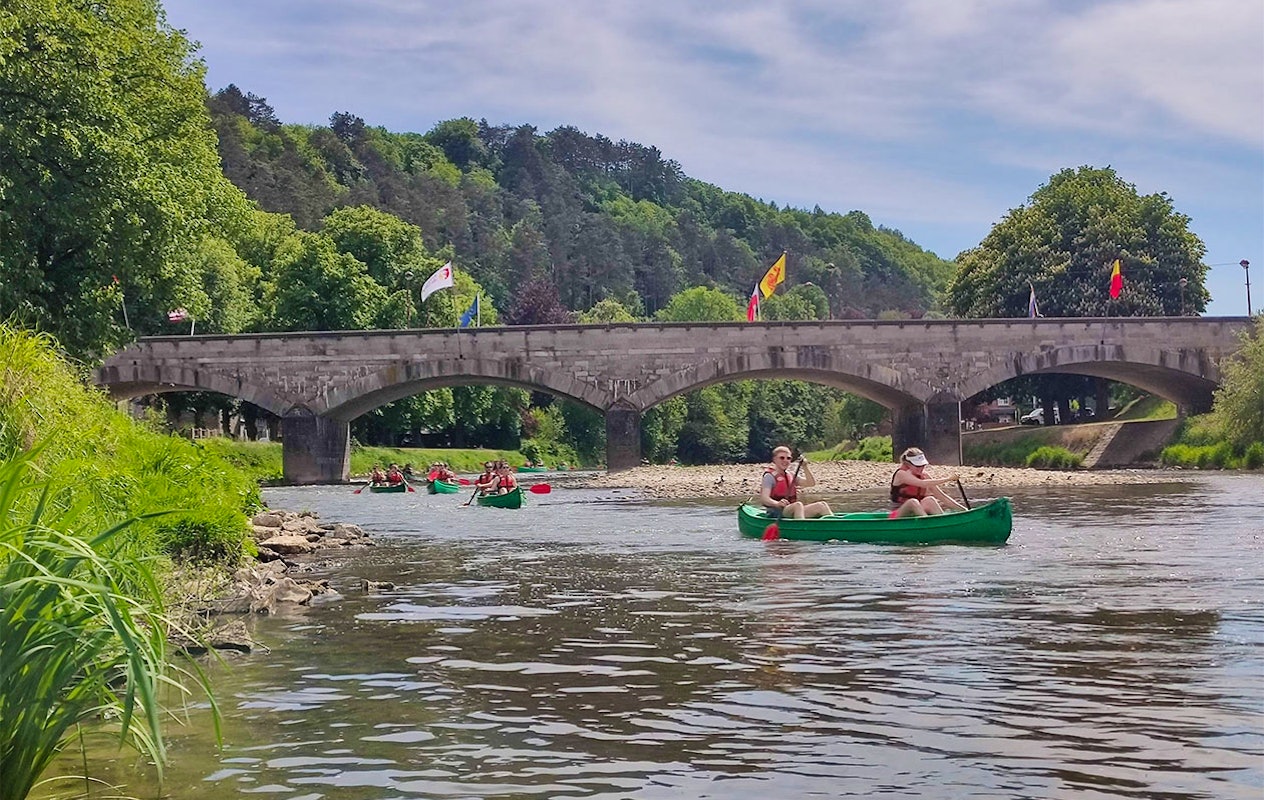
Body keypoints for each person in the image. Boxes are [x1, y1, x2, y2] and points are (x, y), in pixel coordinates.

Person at [889, 447, 966, 518]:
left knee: (930, 500)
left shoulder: (925, 476)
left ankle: (942, 521)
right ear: (907, 464)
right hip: (897, 515)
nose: (921, 468)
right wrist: (948, 479)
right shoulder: (901, 474)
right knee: (912, 502)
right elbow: (922, 483)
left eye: (923, 465)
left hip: (916, 512)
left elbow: (943, 497)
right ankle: (927, 522)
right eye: (917, 466)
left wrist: (964, 510)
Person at [760, 445, 831, 519]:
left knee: (822, 505)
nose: (785, 460)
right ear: (774, 459)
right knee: (798, 505)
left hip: (791, 509)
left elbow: (811, 483)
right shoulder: (769, 477)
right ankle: (801, 525)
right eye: (782, 458)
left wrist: (805, 467)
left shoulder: (791, 475)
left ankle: (834, 524)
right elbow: (765, 499)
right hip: (776, 511)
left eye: (788, 458)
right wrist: (777, 503)